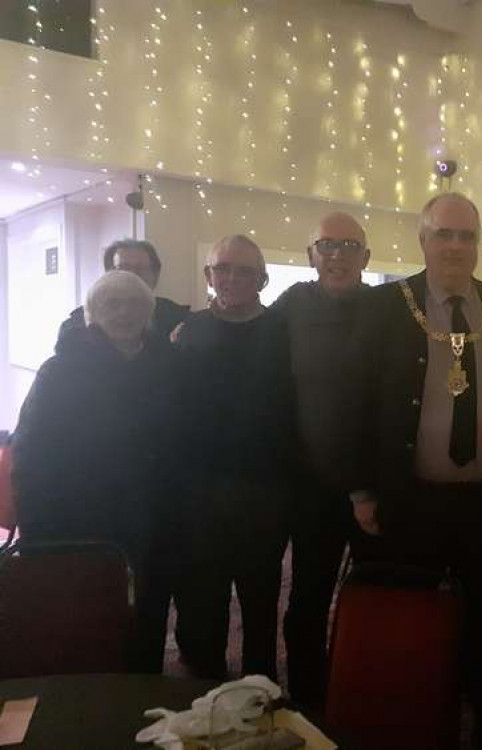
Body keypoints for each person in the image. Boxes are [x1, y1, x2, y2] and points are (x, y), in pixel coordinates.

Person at [349, 193, 482, 749]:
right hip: (411, 501)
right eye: (445, 235)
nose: (457, 246)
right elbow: (358, 401)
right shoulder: (384, 306)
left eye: (467, 236)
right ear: (423, 240)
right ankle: (414, 727)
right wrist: (361, 489)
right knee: (412, 627)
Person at [12, 270, 183, 673]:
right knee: (88, 627)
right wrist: (38, 535)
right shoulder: (59, 371)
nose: (125, 312)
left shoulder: (170, 367)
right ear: (90, 315)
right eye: (112, 303)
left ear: (150, 312)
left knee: (148, 621)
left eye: (135, 304)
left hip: (154, 523)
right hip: (81, 525)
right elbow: (32, 455)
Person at [174, 234, 296, 681]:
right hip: (200, 490)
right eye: (222, 268)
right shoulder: (188, 331)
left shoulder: (284, 332)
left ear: (262, 279)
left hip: (265, 492)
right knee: (203, 598)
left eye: (244, 271)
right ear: (208, 275)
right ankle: (203, 687)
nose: (231, 278)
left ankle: (259, 689)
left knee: (261, 598)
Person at [270, 212, 370, 708]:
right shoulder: (290, 306)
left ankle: (364, 687)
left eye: (349, 244)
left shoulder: (387, 308)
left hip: (374, 485)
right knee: (309, 597)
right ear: (311, 255)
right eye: (326, 244)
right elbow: (240, 329)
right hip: (311, 486)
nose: (337, 254)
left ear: (365, 258)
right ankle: (309, 696)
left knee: (374, 594)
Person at [58, 239, 189, 345]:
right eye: (122, 269)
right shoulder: (78, 324)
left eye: (140, 269)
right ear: (108, 274)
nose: (130, 276)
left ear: (155, 276)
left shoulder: (178, 319)